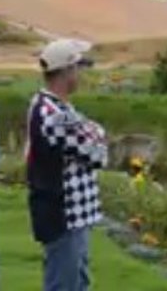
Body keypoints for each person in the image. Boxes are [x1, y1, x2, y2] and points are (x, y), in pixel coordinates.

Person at [26, 39, 107, 291]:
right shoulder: (55, 115)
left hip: (72, 216)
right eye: (77, 68)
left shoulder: (53, 106)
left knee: (77, 282)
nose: (80, 75)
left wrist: (91, 130)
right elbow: (97, 154)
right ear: (66, 71)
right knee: (64, 284)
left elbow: (92, 136)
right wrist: (94, 131)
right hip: (64, 215)